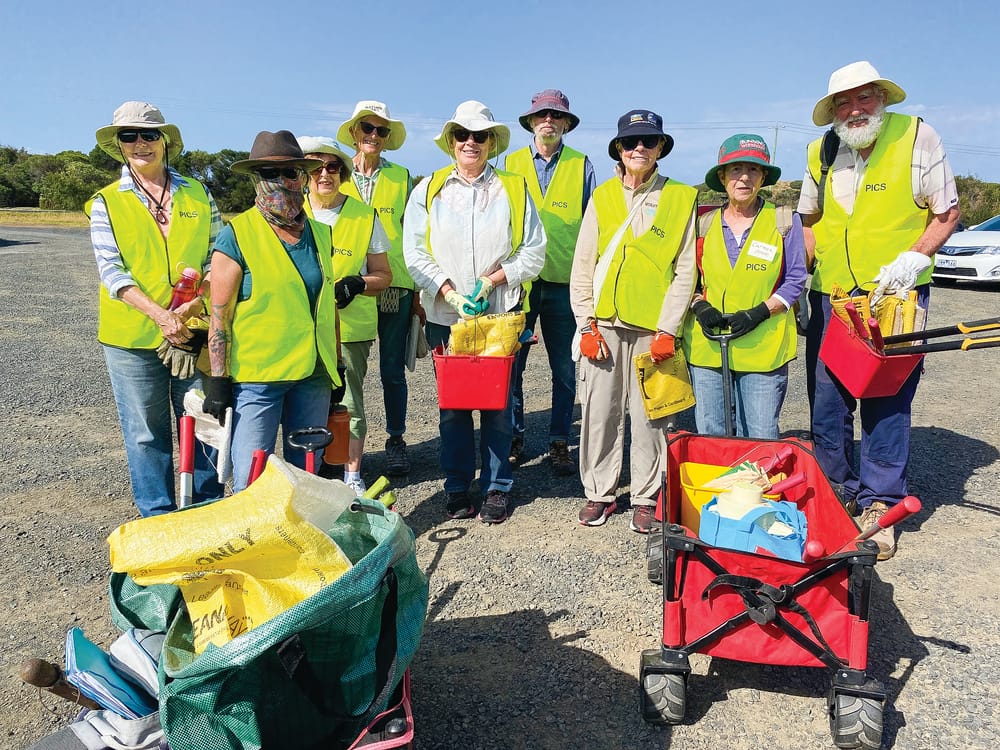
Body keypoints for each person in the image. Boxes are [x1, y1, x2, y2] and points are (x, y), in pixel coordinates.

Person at [797, 61, 960, 559]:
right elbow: (809, 218)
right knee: (827, 403)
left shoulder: (917, 137)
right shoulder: (822, 149)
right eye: (843, 102)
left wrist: (916, 257)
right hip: (834, 296)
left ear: (881, 99)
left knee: (886, 402)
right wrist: (796, 283)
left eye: (864, 98)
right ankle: (834, 490)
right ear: (833, 112)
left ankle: (880, 503)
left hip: (896, 296)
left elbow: (947, 210)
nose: (854, 108)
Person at [403, 100, 546, 525]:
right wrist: (446, 291)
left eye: (479, 135)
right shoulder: (427, 189)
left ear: (491, 142)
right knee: (454, 408)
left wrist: (494, 279)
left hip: (499, 317)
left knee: (499, 407)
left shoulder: (515, 189)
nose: (470, 142)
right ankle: (457, 485)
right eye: (462, 135)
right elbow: (414, 253)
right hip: (446, 320)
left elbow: (534, 252)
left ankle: (498, 487)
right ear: (450, 141)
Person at [88, 101, 224, 516]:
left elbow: (216, 258)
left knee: (204, 423)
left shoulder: (199, 193)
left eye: (149, 135)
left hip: (192, 331)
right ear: (119, 145)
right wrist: (162, 316)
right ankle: (158, 516)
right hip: (131, 338)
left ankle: (206, 511)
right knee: (146, 434)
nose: (140, 143)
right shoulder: (105, 202)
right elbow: (113, 273)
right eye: (129, 136)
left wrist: (193, 307)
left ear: (165, 141)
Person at [570, 109, 697, 534]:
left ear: (661, 147)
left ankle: (645, 495)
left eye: (648, 141)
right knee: (599, 413)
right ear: (619, 150)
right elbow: (583, 265)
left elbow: (685, 269)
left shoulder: (682, 197)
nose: (638, 148)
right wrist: (586, 324)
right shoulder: (603, 196)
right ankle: (600, 492)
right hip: (605, 325)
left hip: (652, 330)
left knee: (651, 416)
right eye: (630, 142)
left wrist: (668, 328)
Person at [202, 130, 343, 492]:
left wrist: (336, 364)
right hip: (258, 380)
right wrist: (218, 379)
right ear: (256, 179)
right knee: (253, 479)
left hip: (312, 376)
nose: (281, 182)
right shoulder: (237, 235)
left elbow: (327, 306)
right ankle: (255, 547)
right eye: (269, 174)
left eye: (291, 173)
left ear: (303, 177)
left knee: (307, 478)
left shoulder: (321, 235)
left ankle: (301, 545)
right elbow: (220, 314)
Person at [683, 134, 807, 439]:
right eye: (735, 169)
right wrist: (699, 305)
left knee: (760, 435)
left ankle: (755, 490)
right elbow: (686, 278)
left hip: (763, 348)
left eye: (753, 170)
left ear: (763, 177)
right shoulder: (703, 223)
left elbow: (795, 280)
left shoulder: (783, 221)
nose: (744, 178)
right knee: (712, 433)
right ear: (723, 177)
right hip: (708, 348)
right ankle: (718, 489)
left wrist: (760, 312)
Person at [504, 89, 597, 475]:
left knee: (563, 367)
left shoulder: (582, 165)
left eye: (556, 117)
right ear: (530, 121)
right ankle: (512, 436)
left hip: (563, 283)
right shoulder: (508, 163)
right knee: (512, 366)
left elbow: (596, 224)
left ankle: (560, 440)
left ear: (566, 124)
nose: (548, 122)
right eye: (542, 115)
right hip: (519, 284)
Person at [298, 135, 392, 495]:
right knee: (305, 400)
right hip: (299, 327)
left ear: (342, 172)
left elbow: (383, 275)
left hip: (349, 329)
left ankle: (352, 475)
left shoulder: (363, 215)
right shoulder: (289, 210)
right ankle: (311, 470)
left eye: (333, 167)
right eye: (316, 167)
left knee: (349, 402)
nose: (324, 174)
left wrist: (357, 282)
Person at [337, 102, 419, 477]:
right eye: (366, 128)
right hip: (347, 286)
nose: (373, 136)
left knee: (391, 370)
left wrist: (417, 289)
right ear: (354, 132)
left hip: (394, 283)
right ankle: (341, 449)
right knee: (345, 371)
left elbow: (416, 232)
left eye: (380, 131)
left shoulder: (401, 176)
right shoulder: (332, 173)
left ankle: (396, 439)